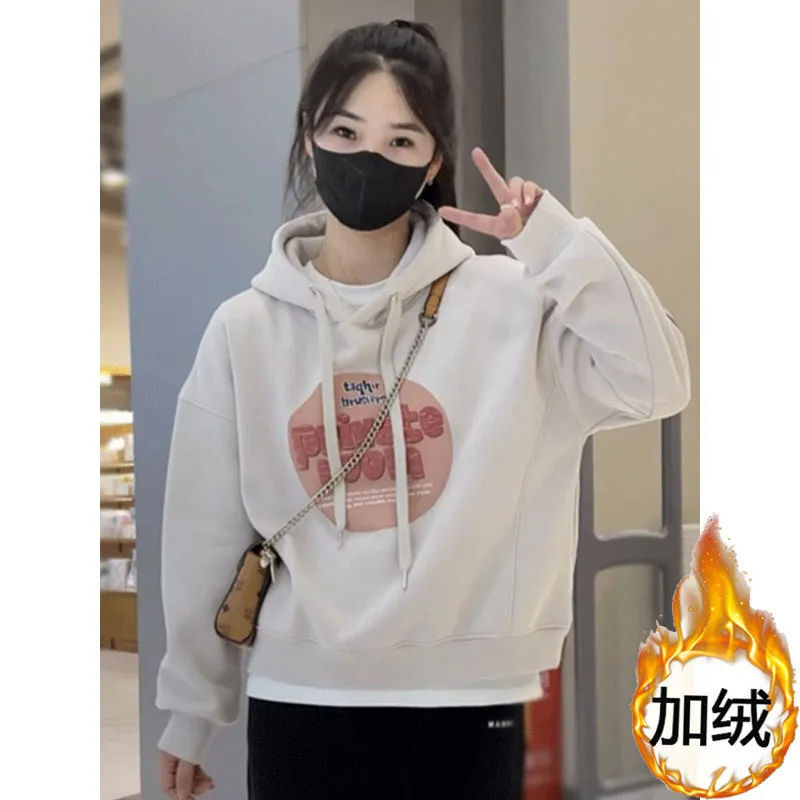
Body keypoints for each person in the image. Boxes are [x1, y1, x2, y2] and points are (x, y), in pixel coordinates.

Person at [155, 18, 691, 800]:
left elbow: (657, 381)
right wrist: (190, 710)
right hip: (303, 697)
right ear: (309, 136)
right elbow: (204, 532)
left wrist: (555, 246)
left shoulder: (514, 306)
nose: (368, 158)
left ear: (433, 161)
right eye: (346, 131)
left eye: (401, 140)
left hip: (470, 698)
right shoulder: (246, 329)